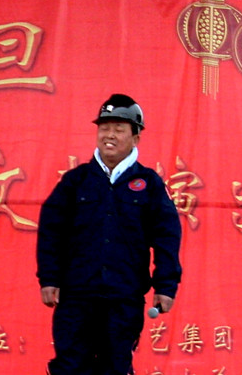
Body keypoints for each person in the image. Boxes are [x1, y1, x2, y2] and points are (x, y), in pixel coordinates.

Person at [36, 94, 182, 375]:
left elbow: (167, 235)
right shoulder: (76, 181)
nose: (109, 135)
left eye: (119, 129)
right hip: (77, 295)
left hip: (124, 297)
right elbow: (52, 231)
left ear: (135, 138)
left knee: (115, 367)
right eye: (104, 128)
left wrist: (166, 286)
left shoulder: (149, 183)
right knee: (68, 366)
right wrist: (49, 278)